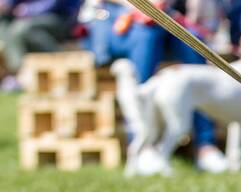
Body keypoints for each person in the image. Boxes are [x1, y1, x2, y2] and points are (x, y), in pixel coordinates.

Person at [80, 0, 229, 172]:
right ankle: (144, 146)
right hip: (113, 19)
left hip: (161, 19)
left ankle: (205, 145)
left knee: (192, 42)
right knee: (145, 39)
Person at [0, 0, 80, 90]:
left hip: (59, 18)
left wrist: (27, 10)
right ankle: (17, 73)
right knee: (4, 22)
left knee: (21, 29)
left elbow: (53, 4)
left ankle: (22, 74)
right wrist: (6, 4)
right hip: (30, 19)